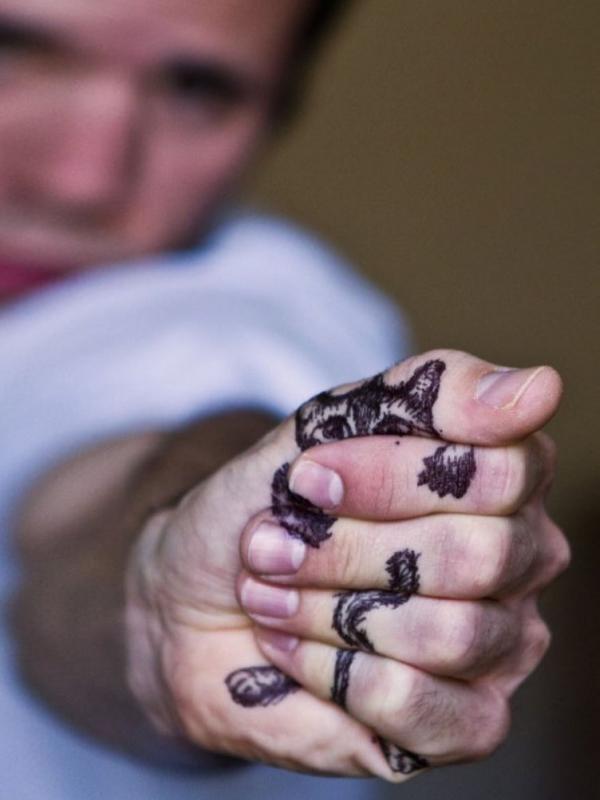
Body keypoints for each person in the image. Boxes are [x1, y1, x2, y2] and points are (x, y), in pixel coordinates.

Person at [0, 1, 569, 799]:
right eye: (14, 47)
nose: (82, 181)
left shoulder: (243, 322)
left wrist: (161, 596)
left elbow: (152, 473)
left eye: (197, 89)